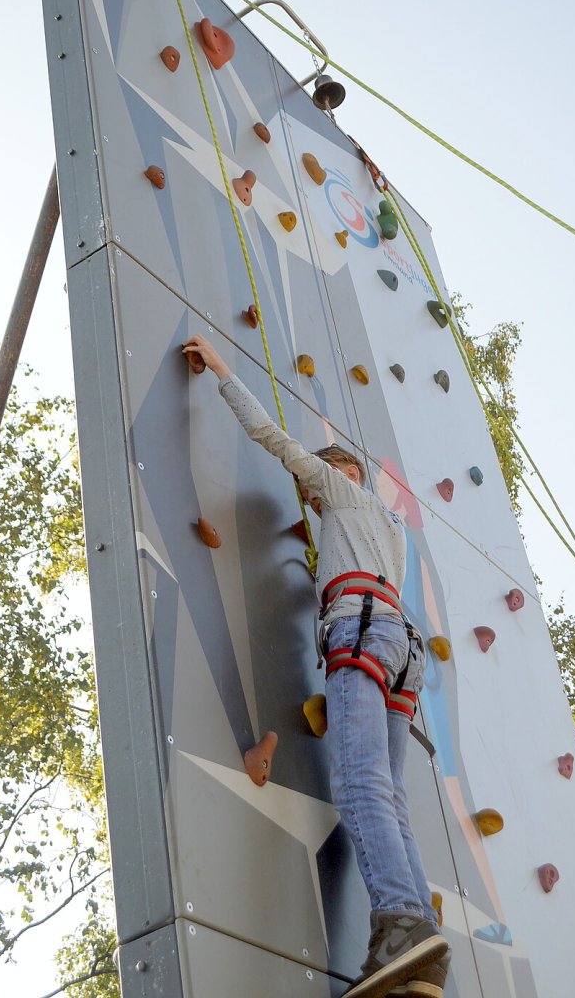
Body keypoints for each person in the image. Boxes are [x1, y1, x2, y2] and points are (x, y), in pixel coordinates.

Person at [182, 335, 450, 998]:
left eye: (317, 486)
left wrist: (223, 373)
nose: (311, 497)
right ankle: (422, 954)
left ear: (339, 474)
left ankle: (397, 927)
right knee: (389, 799)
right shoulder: (387, 530)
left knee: (357, 785)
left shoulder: (344, 491)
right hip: (400, 650)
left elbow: (275, 441)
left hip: (361, 633)